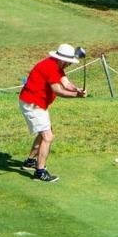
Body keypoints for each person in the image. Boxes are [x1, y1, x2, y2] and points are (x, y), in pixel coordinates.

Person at [17, 43, 86, 183]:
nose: (70, 65)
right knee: (47, 136)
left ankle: (30, 162)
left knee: (44, 133)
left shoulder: (56, 65)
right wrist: (76, 96)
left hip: (37, 103)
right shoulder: (50, 67)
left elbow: (66, 84)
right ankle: (39, 172)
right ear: (62, 59)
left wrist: (76, 89)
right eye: (69, 62)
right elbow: (58, 90)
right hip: (32, 103)